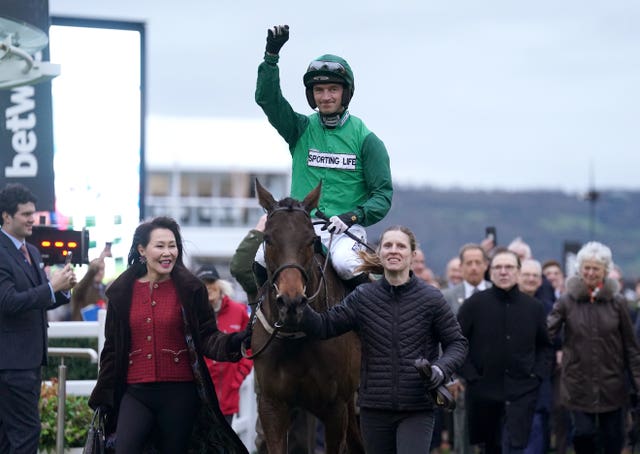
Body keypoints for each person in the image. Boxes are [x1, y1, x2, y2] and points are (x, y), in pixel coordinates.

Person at [297, 225, 468, 453]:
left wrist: (440, 369)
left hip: (417, 407)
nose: (393, 250)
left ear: (412, 255)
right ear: (379, 253)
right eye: (387, 245)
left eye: (400, 246)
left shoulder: (431, 299)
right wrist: (297, 302)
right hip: (374, 409)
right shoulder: (363, 297)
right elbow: (324, 326)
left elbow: (457, 343)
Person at [88, 216, 249, 454]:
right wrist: (103, 395)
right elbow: (112, 348)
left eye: (172, 245)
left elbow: (207, 337)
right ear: (142, 250)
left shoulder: (191, 289)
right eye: (160, 246)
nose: (168, 252)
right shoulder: (121, 292)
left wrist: (236, 341)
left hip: (180, 395)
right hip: (135, 392)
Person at [255, 24, 393, 288]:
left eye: (333, 89)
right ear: (311, 95)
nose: (326, 97)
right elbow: (268, 101)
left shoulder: (368, 141)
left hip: (345, 231)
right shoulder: (299, 129)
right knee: (261, 259)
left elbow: (382, 196)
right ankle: (258, 323)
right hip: (300, 227)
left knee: (347, 265)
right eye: (319, 90)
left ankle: (372, 326)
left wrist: (352, 216)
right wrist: (271, 58)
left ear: (345, 92)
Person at [0, 183, 77, 453]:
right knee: (25, 434)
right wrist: (50, 287)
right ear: (6, 216)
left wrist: (63, 288)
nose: (33, 219)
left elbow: (39, 298)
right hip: (11, 364)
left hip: (29, 359)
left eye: (33, 212)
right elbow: (7, 302)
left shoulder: (31, 250)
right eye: (25, 214)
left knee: (11, 439)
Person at [547, 241, 640, 454]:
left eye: (595, 268)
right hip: (577, 385)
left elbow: (631, 348)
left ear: (605, 271)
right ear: (579, 269)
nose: (590, 272)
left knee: (613, 440)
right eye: (586, 268)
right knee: (584, 435)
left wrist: (637, 382)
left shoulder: (618, 303)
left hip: (612, 386)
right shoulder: (566, 302)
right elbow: (547, 333)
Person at [457, 249, 553, 454]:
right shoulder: (474, 304)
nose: (503, 272)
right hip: (484, 393)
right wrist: (471, 376)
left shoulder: (533, 307)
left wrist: (537, 374)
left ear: (518, 272)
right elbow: (457, 343)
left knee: (518, 446)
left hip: (522, 392)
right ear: (490, 272)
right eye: (498, 267)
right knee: (491, 447)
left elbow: (545, 346)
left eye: (509, 267)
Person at [441, 243, 491, 454]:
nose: (473, 267)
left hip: (493, 375)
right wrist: (450, 377)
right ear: (460, 267)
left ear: (486, 265)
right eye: (468, 263)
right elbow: (441, 339)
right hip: (461, 377)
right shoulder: (447, 297)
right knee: (464, 433)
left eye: (478, 262)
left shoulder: (496, 293)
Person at [197, 265, 253, 426]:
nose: (207, 287)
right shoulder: (194, 314)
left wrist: (240, 374)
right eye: (202, 284)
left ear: (220, 283)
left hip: (228, 394)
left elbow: (250, 346)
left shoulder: (239, 311)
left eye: (211, 281)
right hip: (201, 398)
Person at [518, 259, 554, 454]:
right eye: (527, 275)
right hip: (510, 385)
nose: (531, 279)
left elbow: (553, 343)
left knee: (536, 435)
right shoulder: (506, 304)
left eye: (535, 276)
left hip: (538, 383)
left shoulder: (549, 308)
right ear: (518, 277)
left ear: (541, 280)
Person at [70, 244, 111, 321]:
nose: (99, 272)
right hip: (82, 330)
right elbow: (77, 290)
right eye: (97, 269)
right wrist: (99, 260)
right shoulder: (82, 288)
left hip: (99, 330)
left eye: (102, 269)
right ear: (90, 270)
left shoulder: (105, 290)